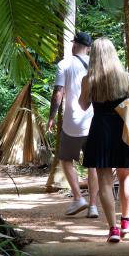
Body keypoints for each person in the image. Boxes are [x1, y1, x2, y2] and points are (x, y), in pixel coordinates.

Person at [78, 38, 129, 243]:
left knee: (104, 181)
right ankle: (125, 220)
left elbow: (83, 106)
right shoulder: (125, 78)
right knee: (125, 177)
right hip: (122, 131)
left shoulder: (89, 79)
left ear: (94, 55)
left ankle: (113, 229)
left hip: (99, 131)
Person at [47, 32, 99, 217]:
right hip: (94, 121)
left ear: (75, 45)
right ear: (89, 48)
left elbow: (58, 93)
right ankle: (93, 206)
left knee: (66, 159)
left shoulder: (64, 64)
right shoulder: (96, 66)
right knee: (93, 164)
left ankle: (78, 197)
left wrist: (51, 117)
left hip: (72, 123)